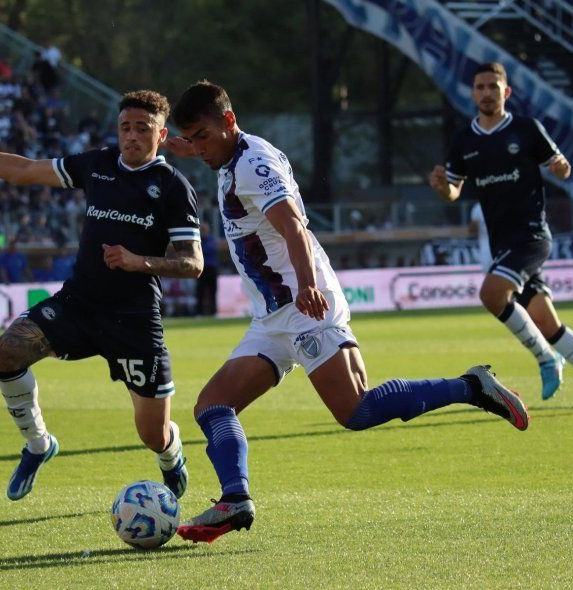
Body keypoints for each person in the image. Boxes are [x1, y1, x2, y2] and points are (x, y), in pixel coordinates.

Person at [164, 80, 530, 543]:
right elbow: (230, 168)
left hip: (304, 304)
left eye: (202, 136)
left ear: (229, 121)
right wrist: (193, 147)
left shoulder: (253, 165)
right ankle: (235, 499)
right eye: (190, 138)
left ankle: (471, 387)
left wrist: (307, 285)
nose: (198, 146)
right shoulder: (231, 154)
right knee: (213, 405)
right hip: (272, 317)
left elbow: (293, 227)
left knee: (357, 409)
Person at [0, 90, 203, 502]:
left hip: (134, 318)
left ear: (161, 135)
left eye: (143, 128)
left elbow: (193, 263)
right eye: (125, 127)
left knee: (152, 433)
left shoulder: (173, 186)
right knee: (7, 351)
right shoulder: (98, 164)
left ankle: (170, 454)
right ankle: (38, 444)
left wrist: (137, 261)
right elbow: (25, 171)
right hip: (80, 303)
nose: (132, 136)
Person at [429, 62, 573, 413]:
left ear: (506, 92)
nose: (486, 93)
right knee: (547, 322)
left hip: (532, 236)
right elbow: (453, 192)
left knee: (491, 294)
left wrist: (562, 168)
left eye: (493, 86)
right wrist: (443, 187)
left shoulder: (526, 129)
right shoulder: (464, 140)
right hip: (502, 244)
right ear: (473, 93)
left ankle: (547, 360)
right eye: (480, 87)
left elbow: (560, 165)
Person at [196, 221, 219, 316]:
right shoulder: (198, 240)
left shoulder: (211, 239)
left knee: (213, 290)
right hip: (201, 269)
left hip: (211, 268)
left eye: (205, 229)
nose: (203, 231)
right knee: (200, 291)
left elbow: (213, 250)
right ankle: (199, 312)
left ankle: (214, 312)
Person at [469, 201, 492, 271]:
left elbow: (472, 229)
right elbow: (472, 228)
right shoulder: (478, 207)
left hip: (489, 247)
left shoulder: (478, 207)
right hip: (487, 246)